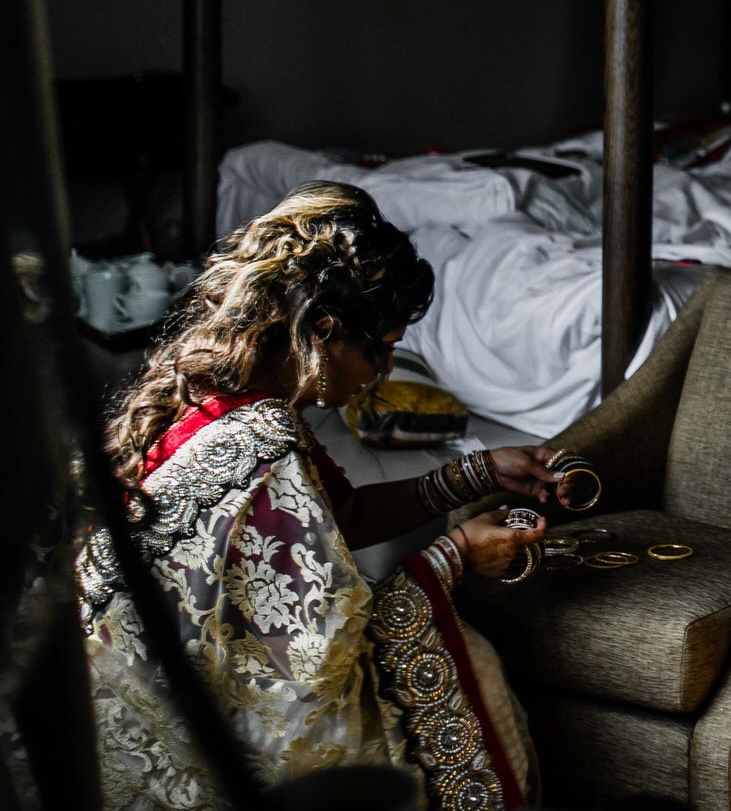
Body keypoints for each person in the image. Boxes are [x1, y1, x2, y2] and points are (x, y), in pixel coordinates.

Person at [79, 181, 573, 811]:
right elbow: (314, 665)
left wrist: (476, 474)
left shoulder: (208, 392)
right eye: (382, 350)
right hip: (197, 725)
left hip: (119, 709)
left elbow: (340, 518)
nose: (382, 376)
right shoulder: (263, 443)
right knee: (469, 661)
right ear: (323, 329)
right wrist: (456, 556)